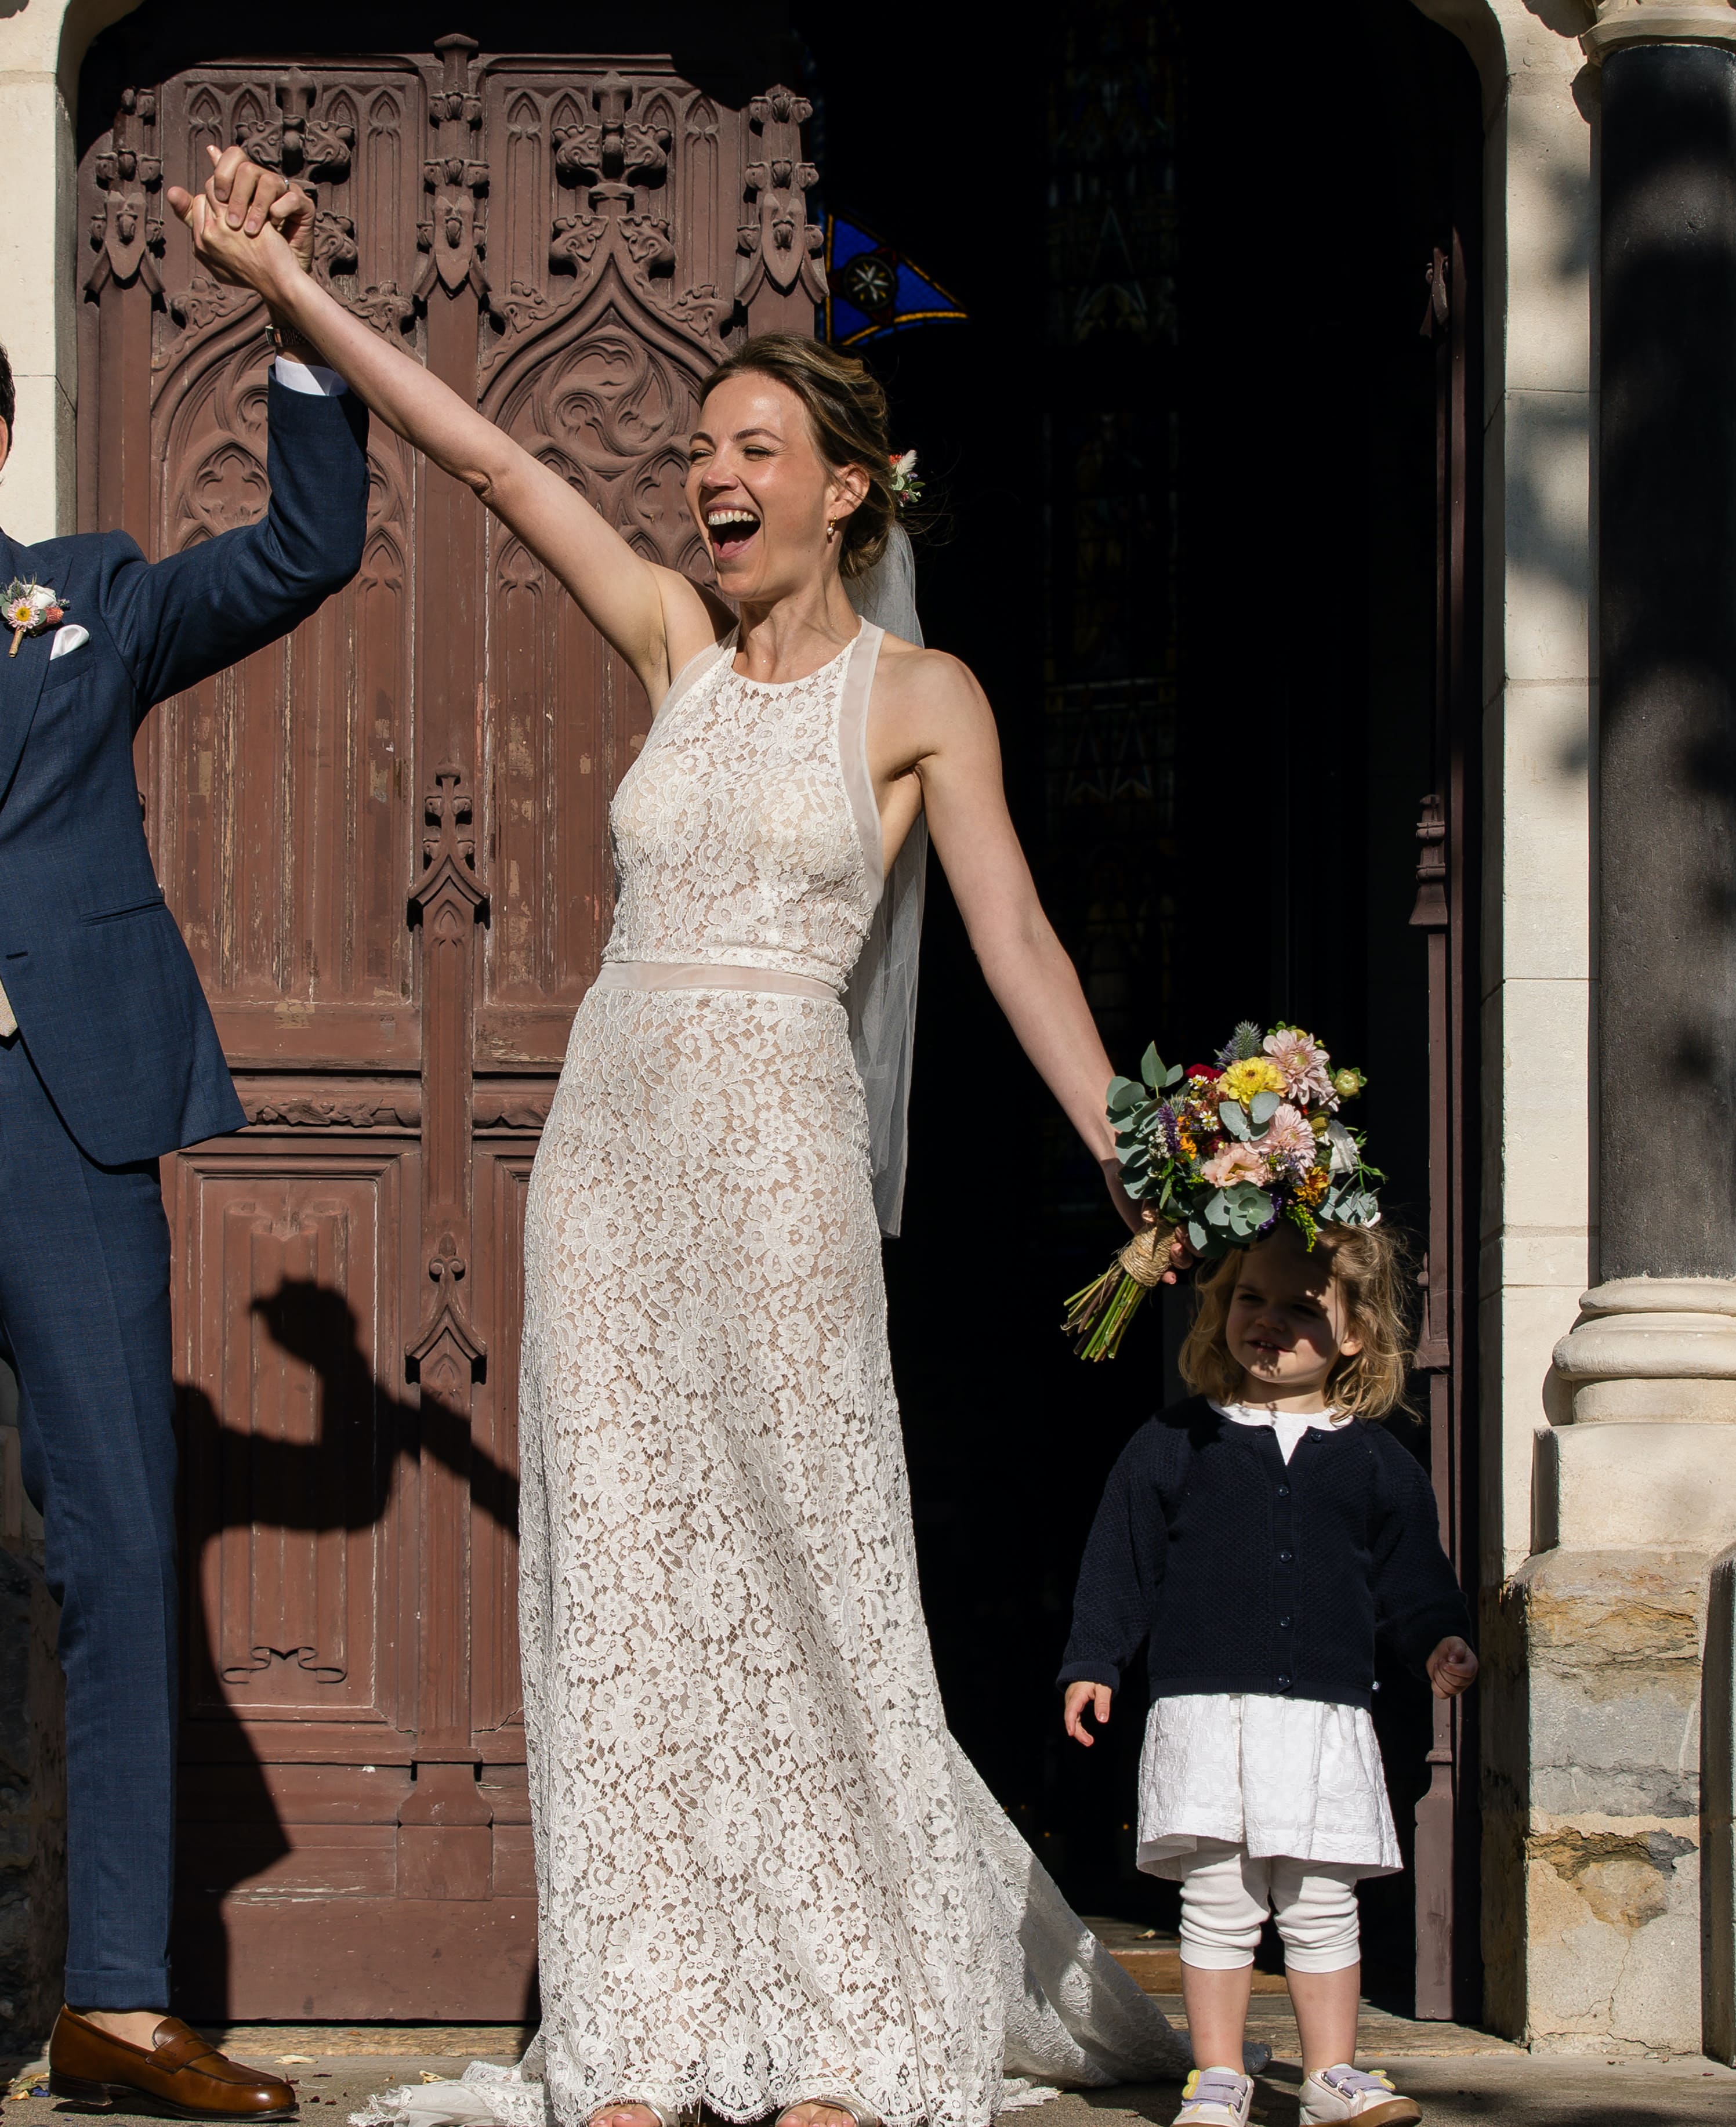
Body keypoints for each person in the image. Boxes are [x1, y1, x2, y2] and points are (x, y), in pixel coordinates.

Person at [177, 152, 1198, 2127]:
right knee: (631, 1582)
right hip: (613, 1153)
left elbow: (1015, 941)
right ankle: (640, 2022)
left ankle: (840, 2016)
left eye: (752, 449)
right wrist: (287, 289)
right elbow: (489, 457)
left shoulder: (923, 697)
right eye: (698, 450)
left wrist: (1136, 1153)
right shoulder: (670, 643)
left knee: (808, 1562)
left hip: (781, 1146)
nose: (707, 475)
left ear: (848, 488)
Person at [2, 148, 369, 2117]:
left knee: (124, 1539)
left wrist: (287, 307)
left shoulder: (91, 599)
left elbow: (306, 547)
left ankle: (120, 2005)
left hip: (57, 1120)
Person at [1059, 1222, 1479, 2127]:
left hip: (1323, 1717)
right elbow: (1120, 1560)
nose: (1269, 1321)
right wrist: (1094, 1659)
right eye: (1250, 1298)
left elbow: (1413, 1578)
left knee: (1321, 1902)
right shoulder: (1173, 1441)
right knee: (1218, 1900)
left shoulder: (1377, 1460)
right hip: (1204, 1713)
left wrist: (1437, 1641)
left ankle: (1331, 2075)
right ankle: (1217, 2075)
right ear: (1219, 1307)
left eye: (1301, 1308)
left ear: (1355, 1333)